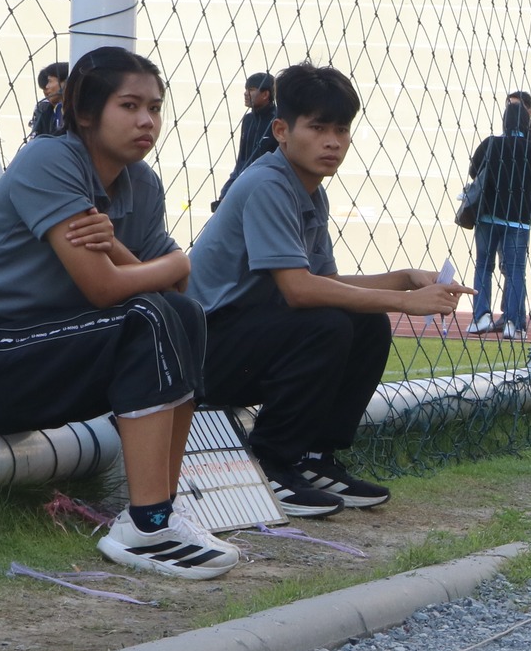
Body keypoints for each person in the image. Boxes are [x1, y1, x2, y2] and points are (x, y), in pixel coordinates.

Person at [0, 47, 235, 578]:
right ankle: (145, 524)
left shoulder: (141, 183)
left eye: (155, 107)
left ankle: (160, 512)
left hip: (36, 351)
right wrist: (174, 261)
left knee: (182, 314)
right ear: (84, 113)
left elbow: (177, 287)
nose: (147, 121)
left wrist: (137, 253)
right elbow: (106, 289)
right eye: (129, 106)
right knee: (144, 316)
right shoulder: (50, 159)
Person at [190, 63, 470, 516]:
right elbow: (300, 292)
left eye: (341, 129)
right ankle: (270, 462)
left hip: (247, 340)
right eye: (317, 128)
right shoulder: (267, 184)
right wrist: (405, 302)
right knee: (327, 325)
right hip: (202, 354)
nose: (333, 141)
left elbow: (326, 283)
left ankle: (315, 457)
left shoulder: (309, 191)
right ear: (282, 131)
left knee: (366, 324)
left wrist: (404, 278)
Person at [465, 98, 531, 338]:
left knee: (484, 265)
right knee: (515, 271)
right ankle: (513, 323)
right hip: (519, 220)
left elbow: (474, 171)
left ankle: (481, 316)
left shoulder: (491, 143)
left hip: (489, 217)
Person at [212, 71, 277, 210]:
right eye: (246, 89)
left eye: (251, 90)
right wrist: (227, 189)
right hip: (244, 185)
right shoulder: (248, 120)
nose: (245, 93)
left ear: (265, 94)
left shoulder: (278, 122)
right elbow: (242, 161)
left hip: (267, 191)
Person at [28, 60, 67, 140]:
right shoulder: (43, 109)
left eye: (50, 81)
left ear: (65, 82)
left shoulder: (78, 110)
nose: (46, 88)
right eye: (43, 89)